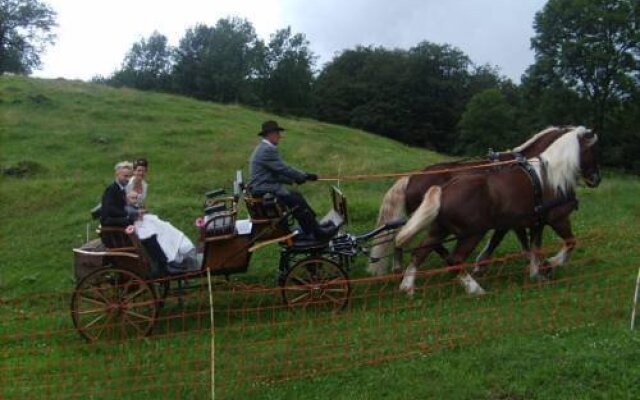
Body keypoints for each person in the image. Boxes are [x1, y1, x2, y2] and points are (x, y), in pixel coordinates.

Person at [248, 120, 338, 241]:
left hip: (264, 186)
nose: (280, 136)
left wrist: (293, 180)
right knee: (296, 200)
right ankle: (316, 232)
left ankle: (314, 227)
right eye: (277, 133)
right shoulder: (267, 150)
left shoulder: (264, 148)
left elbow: (275, 173)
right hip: (264, 189)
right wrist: (303, 176)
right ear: (269, 134)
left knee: (296, 196)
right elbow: (284, 169)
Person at [100, 161, 140, 226]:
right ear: (117, 175)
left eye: (130, 176)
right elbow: (110, 209)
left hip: (119, 217)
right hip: (110, 219)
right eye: (125, 176)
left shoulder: (125, 188)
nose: (128, 179)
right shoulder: (112, 189)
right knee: (135, 222)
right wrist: (127, 214)